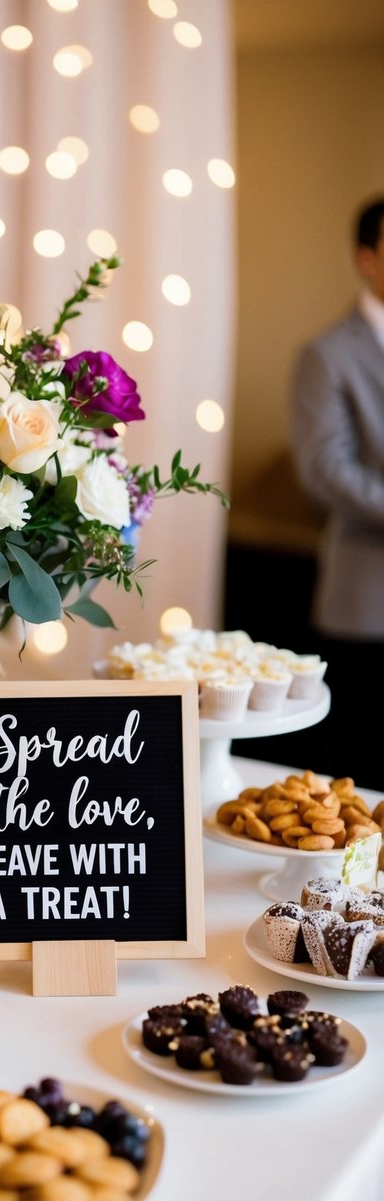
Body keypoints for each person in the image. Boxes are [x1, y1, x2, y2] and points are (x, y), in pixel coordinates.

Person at [288, 195, 384, 788]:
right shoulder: (327, 355)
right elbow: (323, 468)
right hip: (368, 602)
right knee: (360, 779)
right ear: (366, 258)